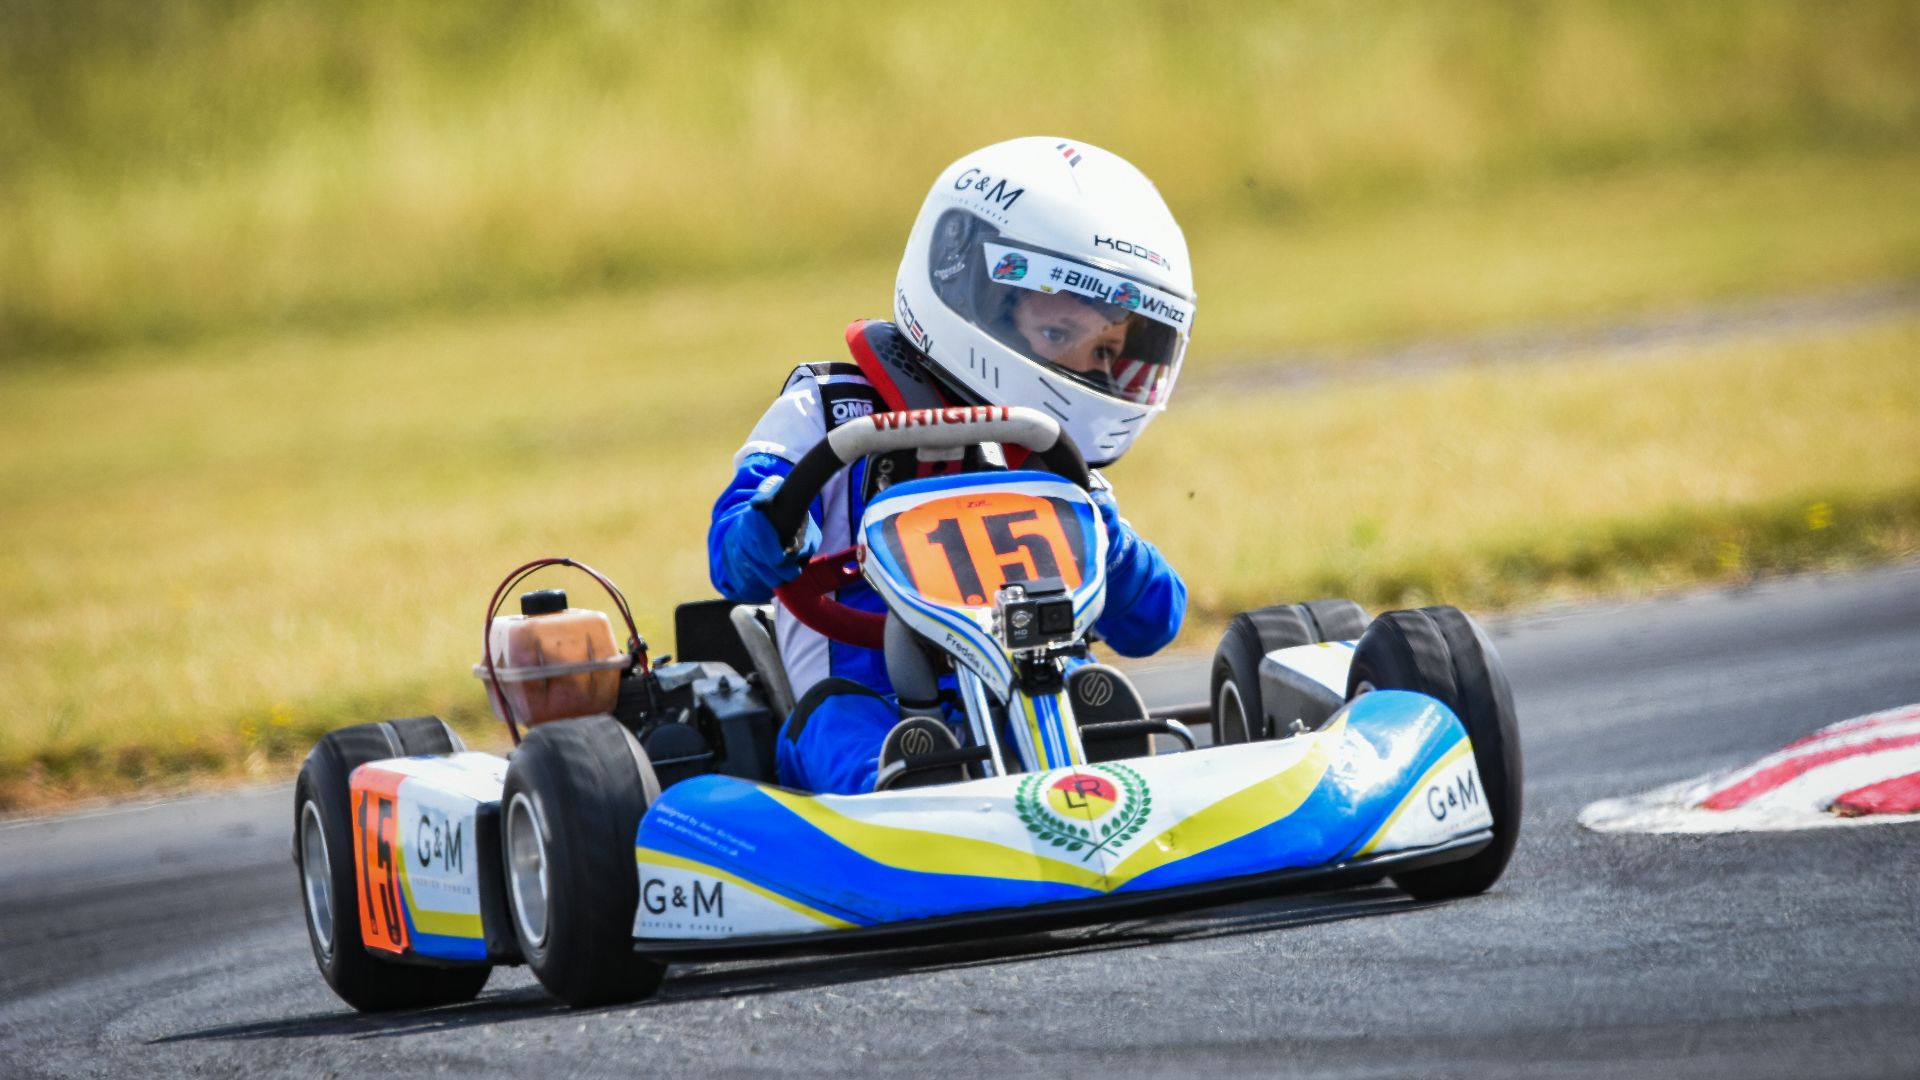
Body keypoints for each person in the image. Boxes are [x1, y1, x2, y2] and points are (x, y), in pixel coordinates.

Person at [706, 137, 1195, 795]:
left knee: (1087, 685)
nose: (1088, 369)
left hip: (1028, 677)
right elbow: (731, 552)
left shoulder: (1050, 457)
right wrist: (770, 526)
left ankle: (1104, 784)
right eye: (1059, 336)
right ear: (975, 296)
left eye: (1106, 349)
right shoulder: (827, 412)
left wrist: (1107, 541)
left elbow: (1152, 623)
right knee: (846, 732)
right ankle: (898, 807)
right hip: (861, 682)